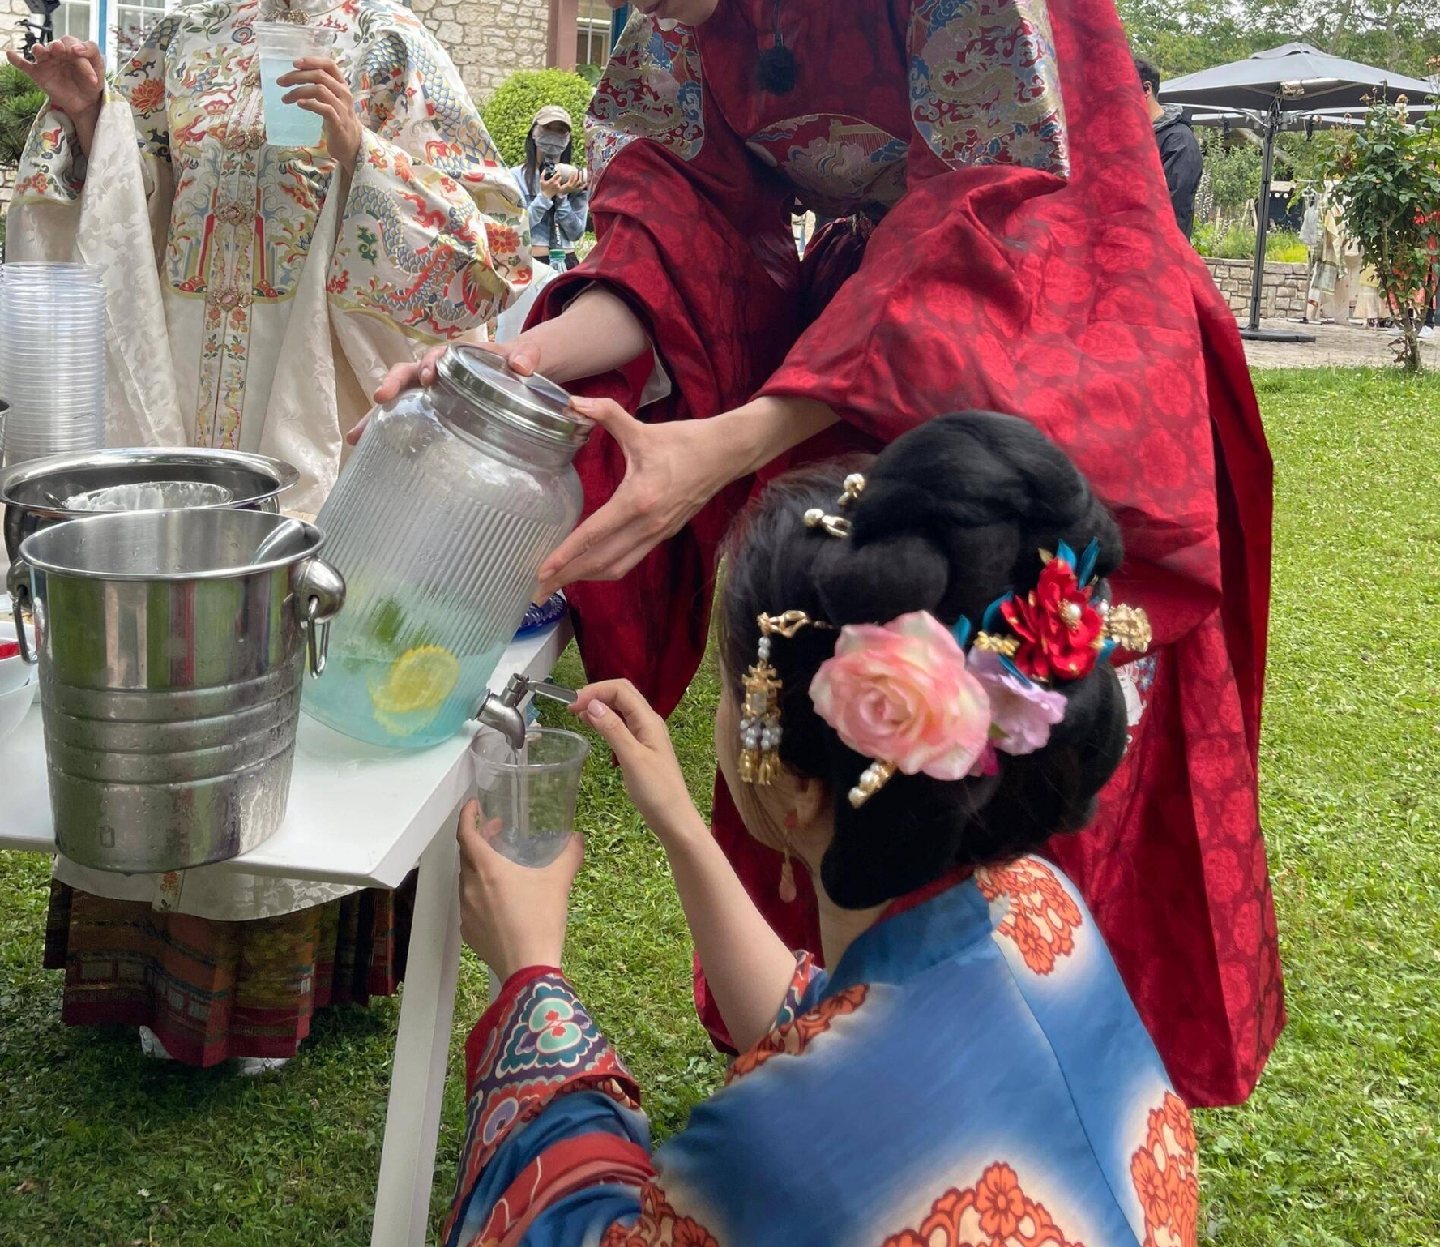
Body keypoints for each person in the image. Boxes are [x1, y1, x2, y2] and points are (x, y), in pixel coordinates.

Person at [373, 0, 1281, 1107]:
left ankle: (1043, 1106)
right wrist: (516, 361)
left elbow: (997, 220)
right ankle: (851, 1073)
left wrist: (731, 447)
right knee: (851, 746)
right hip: (865, 388)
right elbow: (673, 246)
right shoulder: (696, 16)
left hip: (1071, 364)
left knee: (1014, 741)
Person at [6, 0, 529, 1068]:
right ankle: (147, 960)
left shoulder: (398, 51)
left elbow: (488, 246)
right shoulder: (185, 48)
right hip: (183, 406)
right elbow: (120, 213)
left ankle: (276, 989)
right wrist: (84, 127)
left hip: (326, 419)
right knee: (170, 654)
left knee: (282, 659)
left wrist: (372, 170)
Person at [443, 416, 1200, 1247]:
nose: (724, 716)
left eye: (731, 693)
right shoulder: (1040, 907)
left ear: (797, 787)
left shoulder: (771, 1149)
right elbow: (835, 1022)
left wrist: (530, 978)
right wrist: (680, 824)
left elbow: (578, 1232)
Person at [512, 102, 589, 270]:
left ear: (568, 138)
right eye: (547, 128)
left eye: (561, 131)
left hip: (566, 263)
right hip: (531, 264)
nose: (554, 135)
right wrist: (545, 196)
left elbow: (576, 233)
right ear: (534, 132)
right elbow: (516, 229)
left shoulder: (575, 178)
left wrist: (562, 197)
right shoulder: (515, 177)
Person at [1134, 56, 1203, 239]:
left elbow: (1171, 209)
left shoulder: (1179, 142)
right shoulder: (1133, 139)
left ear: (1146, 89)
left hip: (1158, 255)